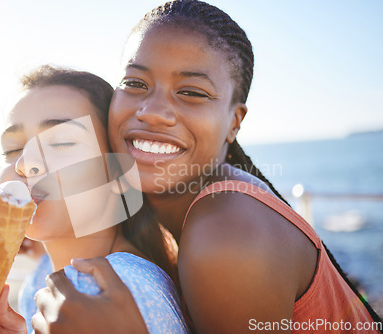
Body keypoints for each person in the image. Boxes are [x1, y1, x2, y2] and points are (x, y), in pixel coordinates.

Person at [32, 1, 383, 333]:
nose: (152, 111)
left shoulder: (227, 234)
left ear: (234, 121)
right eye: (135, 83)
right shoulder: (157, 209)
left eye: (192, 92)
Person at [0, 65, 189, 334]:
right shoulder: (43, 275)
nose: (25, 162)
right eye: (13, 148)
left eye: (61, 143)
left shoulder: (118, 289)